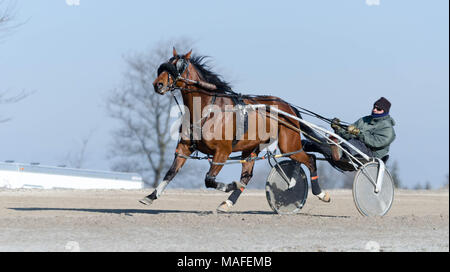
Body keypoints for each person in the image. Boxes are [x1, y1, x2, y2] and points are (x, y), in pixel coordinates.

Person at [302, 97, 396, 166]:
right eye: (374, 107)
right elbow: (348, 133)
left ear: (385, 111)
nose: (374, 110)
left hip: (370, 153)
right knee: (326, 142)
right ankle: (305, 145)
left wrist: (358, 133)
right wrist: (338, 128)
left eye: (378, 109)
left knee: (353, 143)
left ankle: (339, 150)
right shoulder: (364, 120)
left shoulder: (387, 128)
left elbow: (374, 142)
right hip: (352, 145)